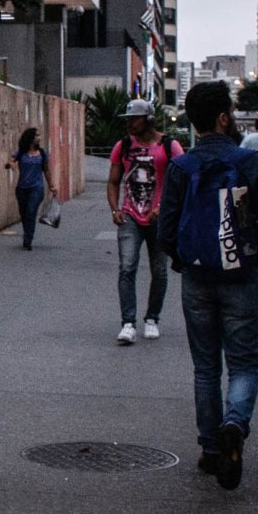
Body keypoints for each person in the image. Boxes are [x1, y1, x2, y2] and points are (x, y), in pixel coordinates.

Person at [158, 81, 258, 491]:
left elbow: (166, 229)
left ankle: (211, 449)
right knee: (243, 364)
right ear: (223, 118)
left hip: (197, 276)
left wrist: (182, 259)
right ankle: (235, 423)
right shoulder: (251, 163)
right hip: (242, 276)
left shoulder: (181, 167)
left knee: (206, 367)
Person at [107, 98, 183, 344]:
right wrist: (114, 208)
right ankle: (128, 323)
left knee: (159, 271)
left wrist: (163, 208)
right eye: (128, 118)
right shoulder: (124, 145)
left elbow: (181, 182)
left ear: (148, 119)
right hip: (130, 215)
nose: (130, 123)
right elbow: (113, 181)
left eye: (134, 118)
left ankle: (152, 318)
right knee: (127, 267)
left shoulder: (169, 146)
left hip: (159, 219)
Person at [4, 127, 53, 250]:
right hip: (22, 188)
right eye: (37, 136)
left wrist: (51, 185)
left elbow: (46, 170)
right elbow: (10, 161)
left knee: (31, 211)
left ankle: (28, 239)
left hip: (37, 188)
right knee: (24, 213)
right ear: (31, 138)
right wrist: (11, 164)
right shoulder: (20, 153)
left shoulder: (42, 153)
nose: (39, 138)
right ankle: (27, 233)